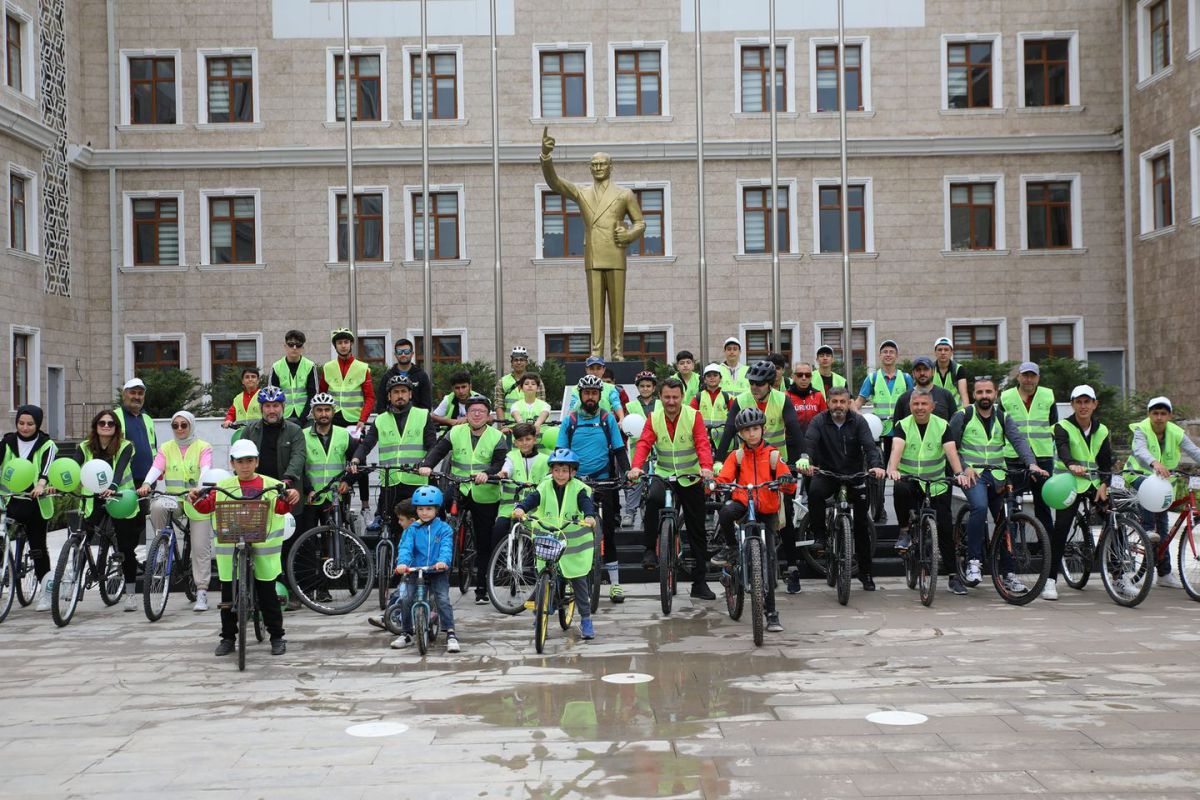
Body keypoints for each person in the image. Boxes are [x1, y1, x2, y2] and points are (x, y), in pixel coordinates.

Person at [189, 439, 292, 656]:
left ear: (257, 462)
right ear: (232, 463)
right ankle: (228, 637)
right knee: (228, 595)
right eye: (240, 461)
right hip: (231, 549)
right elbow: (206, 507)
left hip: (264, 549)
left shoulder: (271, 484)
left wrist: (291, 497)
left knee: (268, 595)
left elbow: (282, 507)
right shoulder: (223, 486)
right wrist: (195, 499)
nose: (245, 466)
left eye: (249, 461)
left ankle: (277, 636)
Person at [948, 377, 1047, 595]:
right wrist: (963, 468)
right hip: (974, 475)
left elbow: (1019, 441)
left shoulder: (1003, 417)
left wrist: (1031, 464)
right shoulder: (963, 416)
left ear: (996, 394)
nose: (984, 396)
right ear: (974, 395)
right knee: (980, 508)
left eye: (988, 392)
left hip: (998, 476)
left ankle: (1009, 574)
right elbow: (951, 447)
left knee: (1008, 519)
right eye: (980, 392)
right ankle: (973, 562)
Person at [627, 376, 716, 597]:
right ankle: (649, 550)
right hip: (664, 474)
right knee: (652, 499)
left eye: (675, 397)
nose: (671, 401)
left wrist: (706, 467)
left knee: (696, 529)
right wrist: (636, 467)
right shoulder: (653, 417)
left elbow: (702, 443)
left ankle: (699, 582)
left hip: (691, 477)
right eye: (667, 397)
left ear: (682, 397)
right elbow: (644, 443)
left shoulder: (693, 416)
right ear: (660, 397)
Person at [710, 407, 795, 632]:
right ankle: (730, 548)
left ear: (763, 429)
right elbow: (725, 477)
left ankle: (772, 614)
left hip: (766, 509)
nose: (752, 434)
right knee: (726, 511)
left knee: (767, 563)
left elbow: (788, 483)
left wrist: (786, 480)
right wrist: (716, 483)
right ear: (740, 434)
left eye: (755, 429)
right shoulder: (736, 456)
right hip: (742, 502)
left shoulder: (774, 455)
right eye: (747, 431)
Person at [419, 394, 508, 605]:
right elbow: (438, 451)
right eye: (472, 411)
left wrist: (488, 473)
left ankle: (482, 588)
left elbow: (500, 463)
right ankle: (440, 540)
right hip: (459, 486)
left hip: (485, 492)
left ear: (489, 416)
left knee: (484, 541)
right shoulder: (455, 431)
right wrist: (427, 464)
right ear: (466, 415)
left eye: (481, 412)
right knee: (435, 505)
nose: (477, 415)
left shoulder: (497, 437)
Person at [796, 387, 885, 591]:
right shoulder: (818, 421)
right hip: (827, 473)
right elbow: (809, 442)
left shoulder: (858, 421)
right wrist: (805, 459)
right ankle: (819, 535)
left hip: (854, 475)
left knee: (862, 525)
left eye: (842, 402)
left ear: (848, 403)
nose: (838, 406)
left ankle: (866, 574)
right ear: (828, 402)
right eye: (834, 401)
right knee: (816, 492)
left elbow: (870, 447)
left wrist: (876, 465)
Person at [886, 389, 970, 589]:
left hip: (936, 483)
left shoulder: (942, 425)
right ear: (910, 406)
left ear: (932, 407)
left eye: (924, 404)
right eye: (916, 404)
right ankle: (905, 531)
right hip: (911, 480)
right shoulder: (903, 425)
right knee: (900, 489)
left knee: (944, 527)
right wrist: (893, 469)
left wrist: (959, 473)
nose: (920, 408)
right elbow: (896, 448)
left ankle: (952, 576)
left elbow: (951, 451)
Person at [557, 374, 631, 603]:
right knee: (572, 532)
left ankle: (615, 584)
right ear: (580, 395)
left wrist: (628, 473)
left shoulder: (607, 418)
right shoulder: (570, 420)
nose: (590, 397)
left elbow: (619, 450)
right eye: (587, 393)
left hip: (603, 480)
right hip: (577, 483)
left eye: (594, 393)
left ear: (600, 395)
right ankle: (570, 581)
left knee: (608, 531)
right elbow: (561, 452)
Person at [513, 448, 600, 639]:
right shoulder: (544, 486)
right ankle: (539, 613)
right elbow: (532, 499)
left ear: (573, 472)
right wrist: (521, 507)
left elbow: (586, 503)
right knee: (542, 578)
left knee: (579, 582)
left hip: (573, 546)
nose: (560, 475)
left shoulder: (579, 489)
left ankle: (586, 619)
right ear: (551, 471)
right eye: (556, 470)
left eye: (564, 471)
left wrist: (590, 516)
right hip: (549, 541)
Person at [137, 410, 214, 612]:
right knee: (156, 505)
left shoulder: (203, 447)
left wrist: (199, 488)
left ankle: (202, 591)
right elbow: (156, 467)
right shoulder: (166, 448)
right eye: (175, 425)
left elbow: (206, 469)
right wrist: (146, 483)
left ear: (191, 426)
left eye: (184, 425)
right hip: (174, 498)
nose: (179, 429)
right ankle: (162, 544)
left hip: (197, 500)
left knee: (200, 547)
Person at [1045, 385, 1113, 601]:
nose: (1083, 406)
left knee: (1114, 520)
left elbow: (1105, 461)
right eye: (1079, 402)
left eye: (1087, 402)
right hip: (1069, 482)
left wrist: (1104, 483)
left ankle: (1119, 576)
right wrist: (1072, 464)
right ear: (1073, 404)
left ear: (1095, 404)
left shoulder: (1102, 430)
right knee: (1062, 528)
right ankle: (1050, 580)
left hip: (1093, 483)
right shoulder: (1062, 427)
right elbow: (1063, 449)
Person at [1125, 396, 1200, 588]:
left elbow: (1194, 451)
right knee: (1155, 520)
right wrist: (1154, 463)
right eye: (1155, 413)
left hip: (1163, 483)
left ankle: (1164, 574)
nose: (1159, 417)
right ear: (1149, 415)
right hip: (1138, 476)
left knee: (1164, 527)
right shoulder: (1142, 429)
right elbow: (1140, 450)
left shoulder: (1176, 432)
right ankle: (1148, 530)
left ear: (1169, 415)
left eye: (1163, 413)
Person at [73, 410, 142, 612]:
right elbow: (74, 466)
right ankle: (73, 584)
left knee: (126, 548)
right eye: (101, 423)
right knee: (80, 541)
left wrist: (112, 486)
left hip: (120, 498)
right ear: (95, 425)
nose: (105, 426)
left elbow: (120, 468)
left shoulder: (125, 445)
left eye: (110, 423)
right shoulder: (85, 447)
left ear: (116, 427)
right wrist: (56, 484)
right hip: (93, 499)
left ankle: (130, 594)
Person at [351, 375, 436, 528]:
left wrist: (427, 464)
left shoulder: (423, 415)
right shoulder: (381, 419)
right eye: (395, 392)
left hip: (416, 481)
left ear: (410, 394)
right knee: (390, 528)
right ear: (389, 396)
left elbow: (432, 446)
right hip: (390, 482)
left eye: (403, 391)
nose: (400, 396)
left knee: (419, 528)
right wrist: (356, 459)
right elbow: (367, 444)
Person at [390, 485, 460, 653]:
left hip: (437, 571)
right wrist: (403, 564)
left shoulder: (444, 529)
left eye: (429, 509)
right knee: (406, 598)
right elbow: (406, 548)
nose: (424, 512)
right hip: (414, 570)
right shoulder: (412, 529)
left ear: (436, 509)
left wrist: (443, 561)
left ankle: (450, 633)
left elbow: (446, 547)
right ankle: (406, 633)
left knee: (442, 599)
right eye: (420, 509)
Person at [1, 405, 57, 611]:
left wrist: (42, 484)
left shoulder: (46, 444)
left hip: (35, 502)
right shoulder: (7, 442)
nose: (25, 428)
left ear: (38, 424)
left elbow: (48, 466)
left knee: (38, 549)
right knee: (1, 540)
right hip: (10, 500)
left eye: (30, 424)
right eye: (21, 423)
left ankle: (46, 592)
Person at [997, 362, 1059, 534]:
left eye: (1032, 376)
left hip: (1042, 457)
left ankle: (1048, 549)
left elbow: (1054, 425)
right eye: (1025, 375)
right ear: (1018, 377)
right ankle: (1010, 549)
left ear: (1038, 378)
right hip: (1013, 457)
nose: (1028, 379)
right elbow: (999, 428)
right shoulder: (1006, 397)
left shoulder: (1048, 396)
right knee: (1011, 504)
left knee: (1043, 504)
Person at [854, 339, 912, 522]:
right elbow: (858, 403)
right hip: (878, 430)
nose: (888, 354)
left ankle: (907, 508)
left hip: (900, 430)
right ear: (880, 356)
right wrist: (857, 419)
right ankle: (878, 507)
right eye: (885, 351)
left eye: (891, 351)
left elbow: (914, 401)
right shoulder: (872, 378)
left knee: (901, 471)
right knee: (876, 470)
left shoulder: (906, 378)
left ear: (896, 356)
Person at [320, 329, 374, 514]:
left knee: (360, 462)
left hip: (354, 422)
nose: (343, 345)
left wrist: (362, 419)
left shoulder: (362, 367)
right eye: (339, 342)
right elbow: (322, 394)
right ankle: (344, 503)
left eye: (346, 342)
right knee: (339, 461)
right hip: (334, 419)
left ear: (351, 344)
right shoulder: (328, 367)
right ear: (335, 346)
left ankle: (365, 505)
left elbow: (369, 397)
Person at [493, 422, 551, 561]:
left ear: (534, 439)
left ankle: (535, 564)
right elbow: (508, 468)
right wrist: (504, 473)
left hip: (535, 511)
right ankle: (499, 561)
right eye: (520, 440)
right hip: (510, 508)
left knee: (542, 535)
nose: (524, 443)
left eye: (528, 439)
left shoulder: (545, 460)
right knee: (498, 529)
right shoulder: (511, 456)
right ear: (515, 442)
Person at [299, 394, 352, 539]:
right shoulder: (302, 435)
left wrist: (347, 481)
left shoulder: (344, 434)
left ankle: (332, 563)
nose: (323, 414)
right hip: (311, 497)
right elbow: (298, 467)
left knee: (334, 541)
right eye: (319, 410)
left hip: (334, 497)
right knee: (307, 540)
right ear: (313, 412)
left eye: (327, 410)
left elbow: (358, 462)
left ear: (333, 412)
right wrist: (308, 489)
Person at [114, 377, 156, 543]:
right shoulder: (115, 417)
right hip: (125, 480)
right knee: (126, 523)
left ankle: (130, 560)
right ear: (125, 394)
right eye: (133, 392)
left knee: (139, 523)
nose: (136, 397)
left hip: (145, 480)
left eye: (140, 393)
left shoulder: (147, 418)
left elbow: (153, 446)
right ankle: (125, 560)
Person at [367, 499, 417, 630]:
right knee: (398, 594)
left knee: (406, 596)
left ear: (411, 521)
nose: (399, 523)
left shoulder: (421, 533)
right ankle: (388, 617)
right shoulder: (406, 534)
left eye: (401, 520)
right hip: (408, 573)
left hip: (420, 573)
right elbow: (404, 551)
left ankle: (397, 619)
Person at [265, 330, 319, 427]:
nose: (294, 348)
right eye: (291, 344)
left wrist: (303, 418)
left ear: (302, 347)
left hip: (306, 417)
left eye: (298, 345)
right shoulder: (276, 367)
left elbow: (313, 395)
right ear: (285, 346)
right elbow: (272, 396)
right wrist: (278, 416)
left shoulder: (310, 366)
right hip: (283, 417)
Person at [376, 338, 433, 413]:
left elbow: (426, 405)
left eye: (406, 351)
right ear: (395, 354)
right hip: (392, 420)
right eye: (399, 352)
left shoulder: (421, 376)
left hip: (415, 420)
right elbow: (381, 405)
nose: (403, 355)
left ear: (412, 354)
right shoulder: (387, 376)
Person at [894, 357, 956, 423]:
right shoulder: (904, 399)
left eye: (926, 369)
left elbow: (954, 423)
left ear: (933, 372)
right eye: (918, 370)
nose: (922, 373)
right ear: (913, 373)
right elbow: (898, 427)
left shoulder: (946, 395)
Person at [494, 346, 541, 421]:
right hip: (510, 426)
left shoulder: (536, 381)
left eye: (522, 360)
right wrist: (503, 425)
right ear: (511, 363)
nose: (518, 362)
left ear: (526, 362)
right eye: (516, 360)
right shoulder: (502, 381)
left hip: (530, 425)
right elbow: (499, 405)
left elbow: (541, 404)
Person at [787, 361, 828, 434]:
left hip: (814, 439)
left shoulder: (818, 395)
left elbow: (825, 420)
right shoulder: (785, 396)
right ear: (793, 377)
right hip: (792, 441)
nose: (804, 378)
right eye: (800, 375)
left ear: (811, 377)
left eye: (807, 375)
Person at [932, 337, 970, 410]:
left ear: (951, 352)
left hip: (956, 410)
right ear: (935, 352)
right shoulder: (930, 369)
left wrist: (967, 413)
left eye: (946, 350)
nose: (943, 353)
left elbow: (963, 393)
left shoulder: (958, 369)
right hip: (936, 411)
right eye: (940, 350)